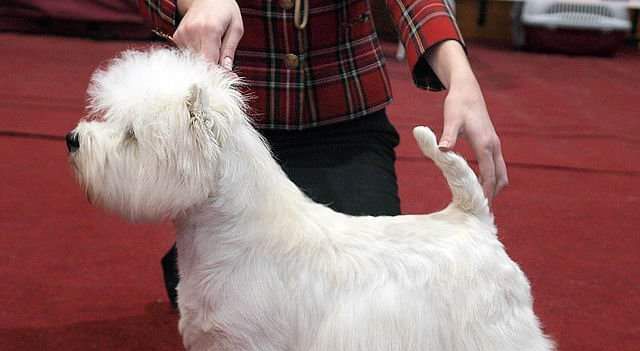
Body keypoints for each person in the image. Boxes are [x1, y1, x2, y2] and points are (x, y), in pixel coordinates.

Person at [139, 0, 508, 307]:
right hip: (235, 122)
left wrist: (461, 77)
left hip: (340, 109)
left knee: (368, 293)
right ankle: (206, 243)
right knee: (235, 297)